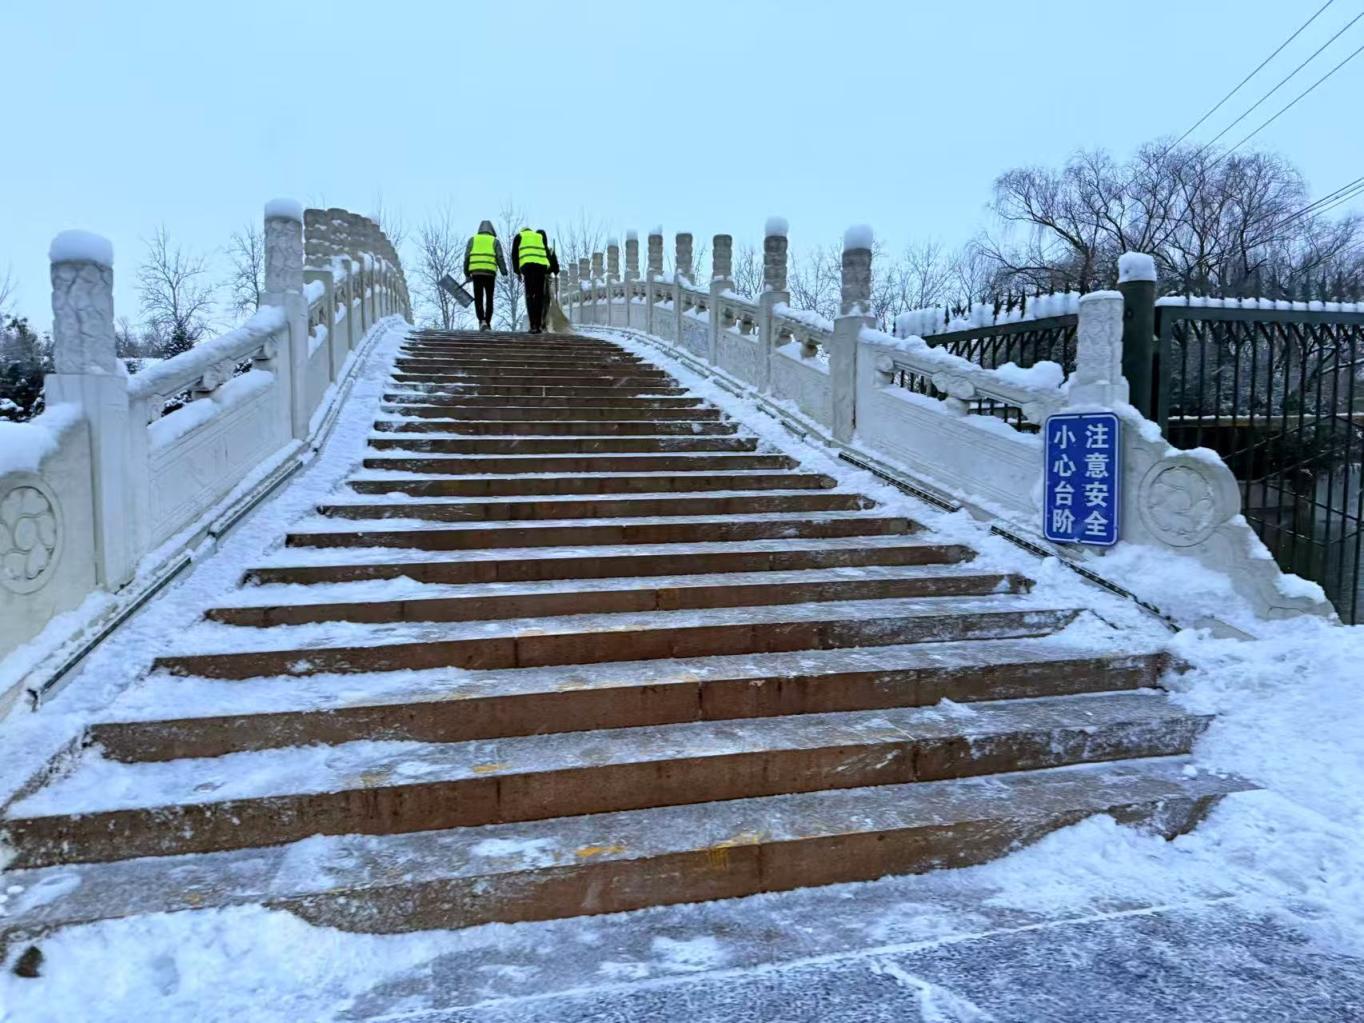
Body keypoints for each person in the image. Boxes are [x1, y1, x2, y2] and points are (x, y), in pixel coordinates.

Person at [512, 227, 558, 333]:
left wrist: (517, 271)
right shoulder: (539, 238)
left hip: (528, 268)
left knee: (530, 296)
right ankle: (538, 325)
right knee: (539, 297)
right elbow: (547, 254)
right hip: (541, 269)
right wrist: (549, 268)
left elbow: (514, 255)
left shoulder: (520, 236)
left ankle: (533, 325)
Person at [463, 220, 507, 330]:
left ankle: (481, 321)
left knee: (478, 297)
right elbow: (500, 257)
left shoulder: (473, 240)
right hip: (490, 273)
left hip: (476, 273)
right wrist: (504, 272)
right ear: (491, 230)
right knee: (489, 298)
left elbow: (467, 257)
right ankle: (488, 322)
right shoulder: (494, 241)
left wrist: (467, 273)